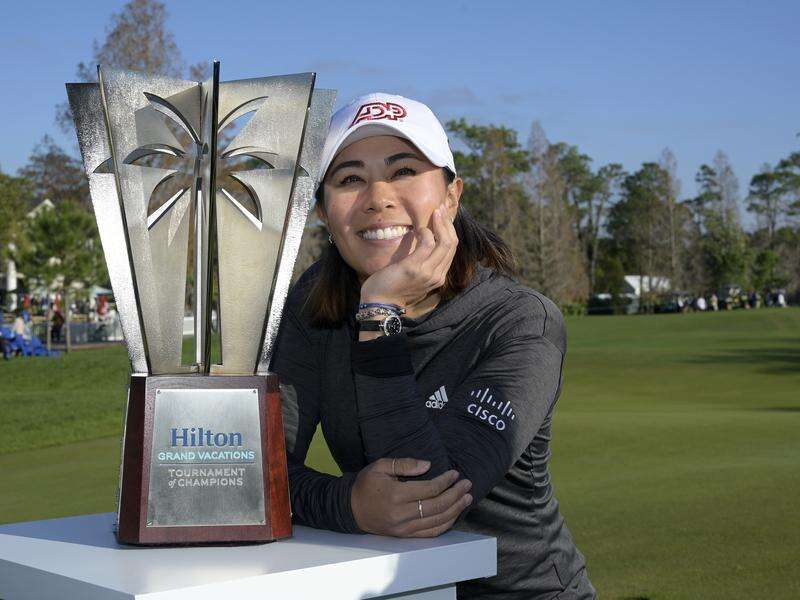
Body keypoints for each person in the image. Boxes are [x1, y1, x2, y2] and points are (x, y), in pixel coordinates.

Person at [271, 93, 595, 599]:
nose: (378, 196)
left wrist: (379, 316)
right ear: (324, 214)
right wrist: (347, 502)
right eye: (350, 178)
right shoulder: (315, 304)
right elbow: (258, 474)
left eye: (403, 171)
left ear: (451, 195)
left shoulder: (518, 321)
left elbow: (429, 498)